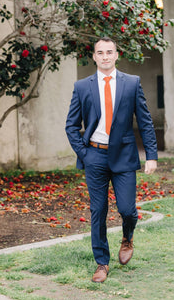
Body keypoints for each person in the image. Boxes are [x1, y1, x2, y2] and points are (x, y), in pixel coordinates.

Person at [65, 37, 157, 283]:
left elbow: (145, 122)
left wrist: (151, 156)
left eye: (109, 52)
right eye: (100, 52)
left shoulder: (131, 84)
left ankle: (127, 237)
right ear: (94, 57)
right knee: (98, 211)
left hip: (124, 155)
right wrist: (84, 153)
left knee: (127, 210)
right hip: (94, 154)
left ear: (117, 55)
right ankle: (102, 263)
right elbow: (71, 126)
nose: (105, 56)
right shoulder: (82, 86)